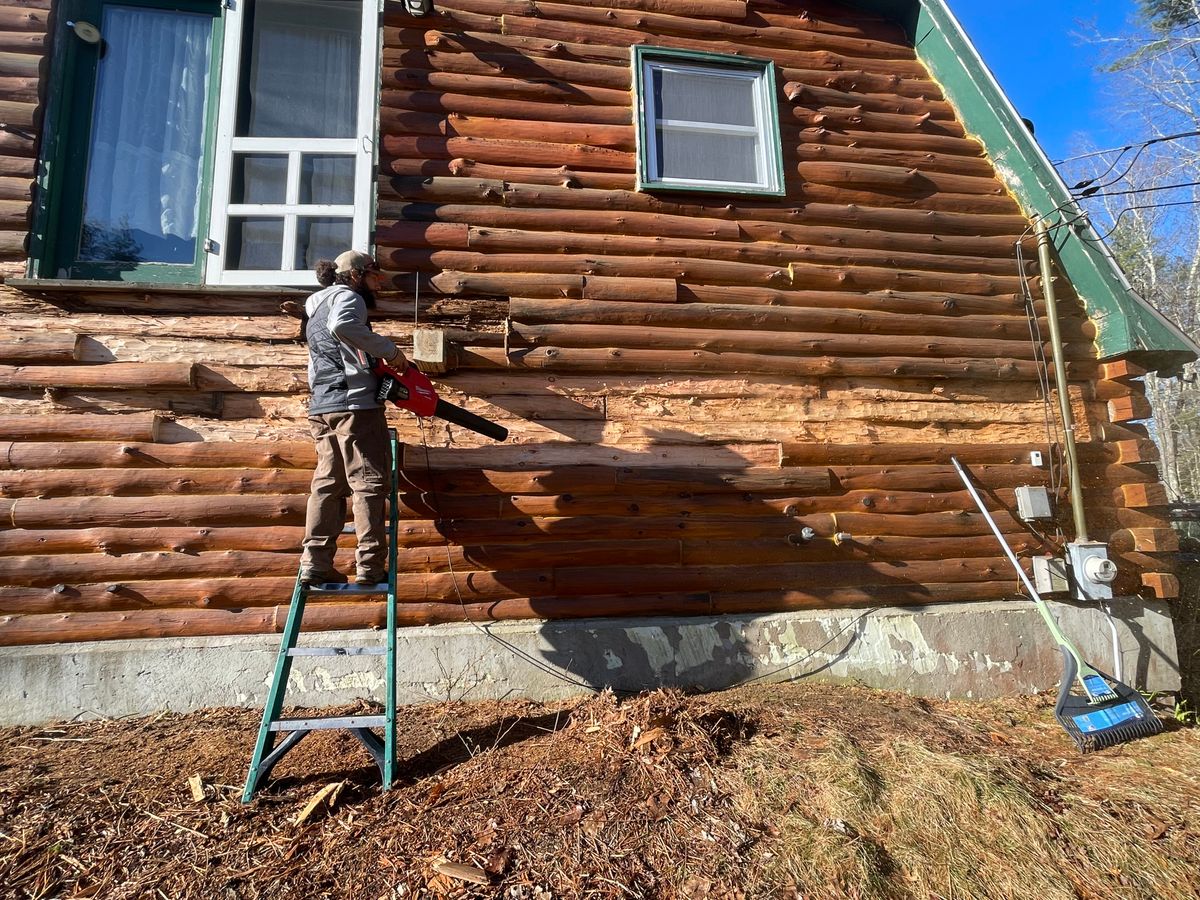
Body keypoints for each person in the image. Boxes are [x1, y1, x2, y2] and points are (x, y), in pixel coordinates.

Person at [298, 250, 408, 587]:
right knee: (369, 483)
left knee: (327, 485)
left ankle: (315, 563)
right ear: (357, 274)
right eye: (375, 275)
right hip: (354, 406)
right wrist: (390, 351)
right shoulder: (349, 298)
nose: (379, 282)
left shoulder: (315, 303)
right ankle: (370, 567)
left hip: (323, 405)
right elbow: (343, 326)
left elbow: (322, 349)